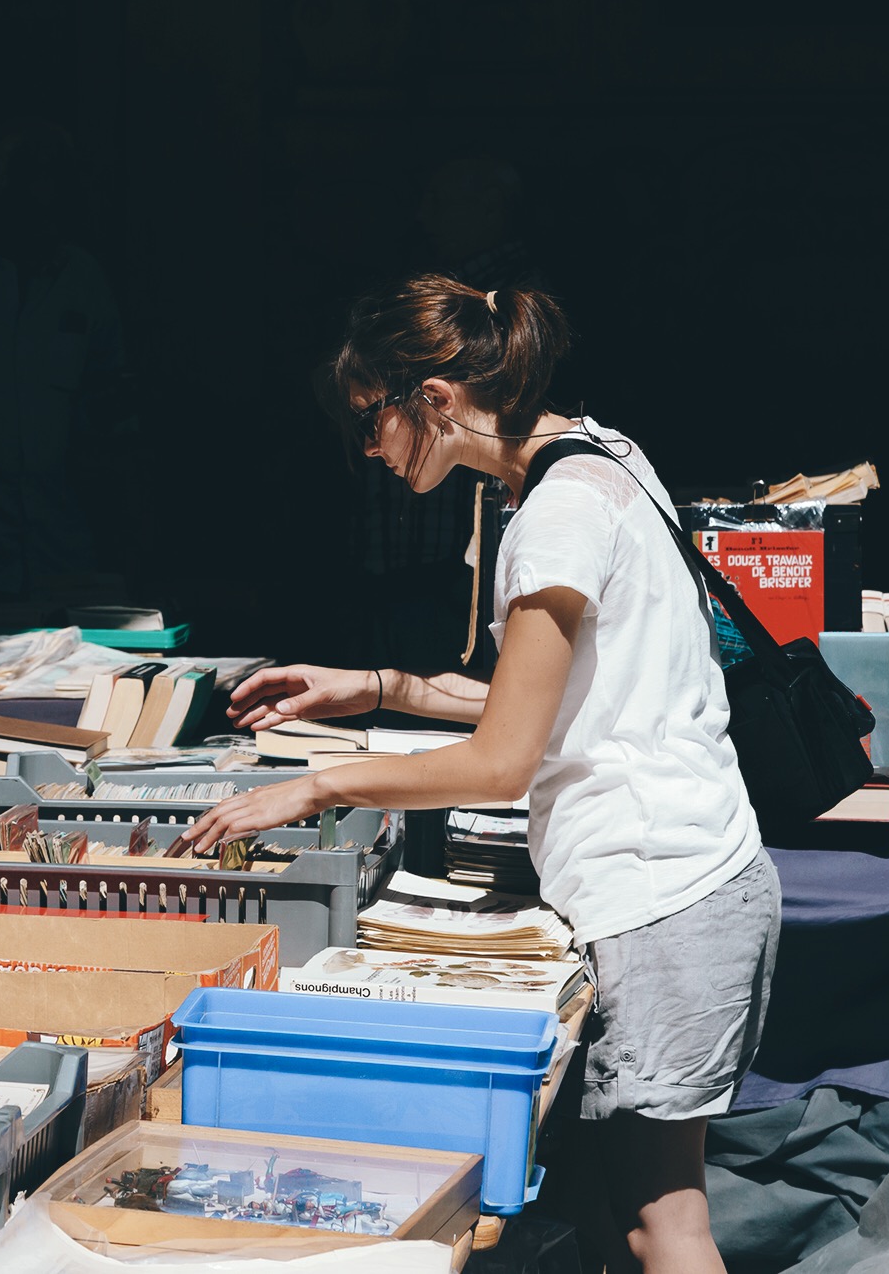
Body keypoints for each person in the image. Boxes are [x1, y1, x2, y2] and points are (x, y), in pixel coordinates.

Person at [184, 273, 779, 1274]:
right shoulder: (599, 459)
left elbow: (504, 759)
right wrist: (376, 687)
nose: (368, 451)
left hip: (664, 889)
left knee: (659, 1223)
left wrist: (317, 787)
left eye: (369, 422)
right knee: (612, 1208)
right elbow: (558, 703)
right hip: (681, 873)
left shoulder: (553, 517)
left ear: (438, 400)